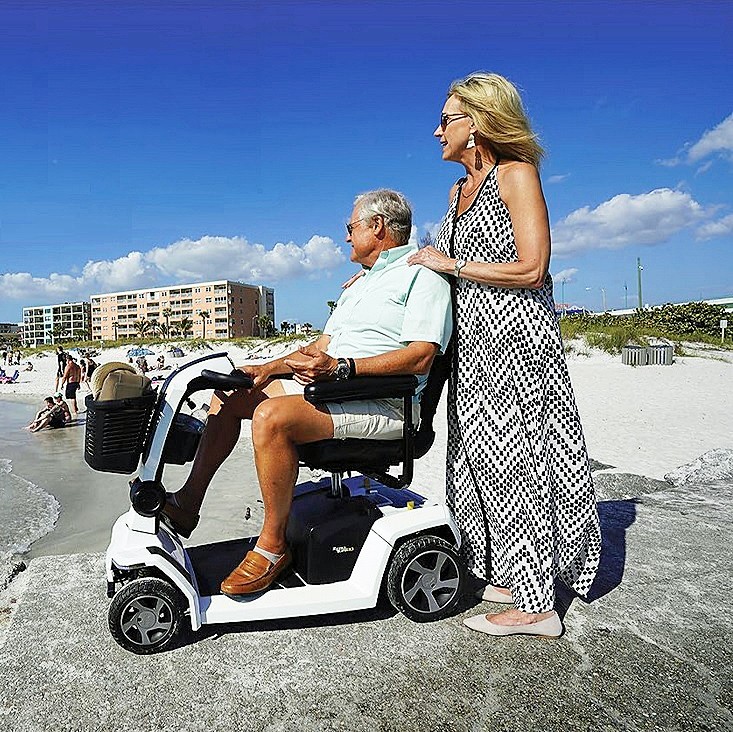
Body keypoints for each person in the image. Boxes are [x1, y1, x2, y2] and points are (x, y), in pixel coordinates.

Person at [163, 189, 452, 597]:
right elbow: (319, 349)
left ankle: (273, 546)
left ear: (378, 227)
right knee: (231, 396)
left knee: (271, 418)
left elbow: (421, 357)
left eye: (351, 228)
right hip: (337, 390)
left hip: (387, 403)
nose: (347, 237)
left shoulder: (423, 277)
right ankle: (188, 504)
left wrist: (342, 368)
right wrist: (267, 369)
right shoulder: (359, 286)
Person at [407, 72, 601, 638]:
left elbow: (534, 269)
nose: (435, 129)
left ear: (477, 124)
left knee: (525, 468)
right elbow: (431, 261)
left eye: (445, 119)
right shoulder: (456, 192)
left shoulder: (516, 175)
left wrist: (454, 267)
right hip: (473, 345)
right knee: (478, 464)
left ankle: (539, 606)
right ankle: (506, 572)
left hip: (519, 339)